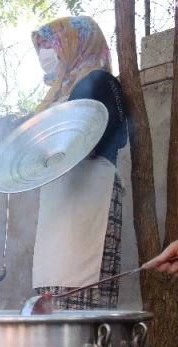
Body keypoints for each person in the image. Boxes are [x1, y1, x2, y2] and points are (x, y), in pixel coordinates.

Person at [30, 16, 129, 309]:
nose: (44, 55)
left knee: (83, 295)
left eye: (50, 45)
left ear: (75, 43)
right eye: (41, 48)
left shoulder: (100, 82)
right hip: (58, 202)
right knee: (51, 293)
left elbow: (107, 137)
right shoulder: (61, 91)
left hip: (90, 200)